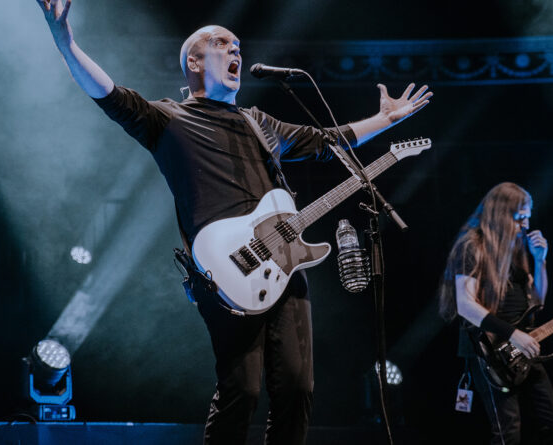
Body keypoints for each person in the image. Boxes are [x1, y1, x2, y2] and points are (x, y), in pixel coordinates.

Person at [35, 1, 433, 444]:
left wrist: (385, 119)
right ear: (194, 61)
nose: (235, 49)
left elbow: (327, 143)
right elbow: (110, 95)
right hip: (224, 272)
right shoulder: (170, 119)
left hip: (285, 266)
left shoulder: (259, 122)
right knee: (241, 390)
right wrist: (66, 42)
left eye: (238, 44)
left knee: (298, 387)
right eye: (222, 42)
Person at [438, 182, 553, 445]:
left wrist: (540, 260)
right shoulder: (472, 246)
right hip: (489, 350)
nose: (526, 226)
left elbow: (538, 301)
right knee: (508, 433)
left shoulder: (516, 249)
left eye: (527, 218)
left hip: (523, 347)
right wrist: (513, 334)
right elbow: (465, 304)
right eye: (520, 218)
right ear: (501, 214)